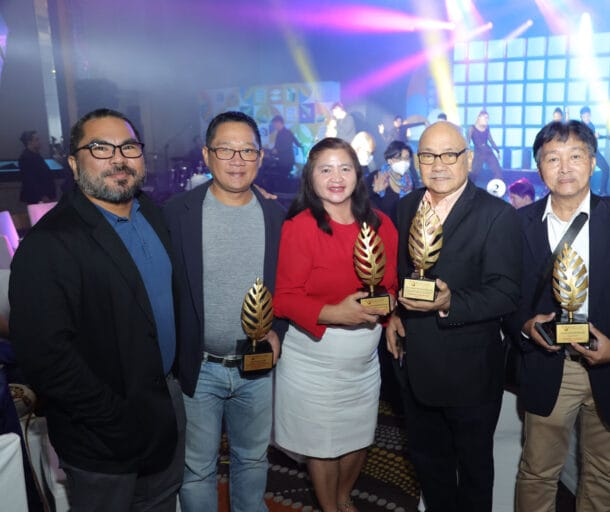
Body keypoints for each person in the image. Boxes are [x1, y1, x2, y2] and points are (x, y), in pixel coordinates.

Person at [9, 108, 184, 511]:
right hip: (102, 434)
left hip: (166, 409)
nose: (119, 159)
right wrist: (115, 419)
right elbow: (45, 358)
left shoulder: (153, 215)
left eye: (128, 147)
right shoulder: (49, 243)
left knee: (162, 502)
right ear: (74, 164)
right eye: (101, 148)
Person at [511, 120, 610, 512]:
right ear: (539, 167)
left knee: (603, 472)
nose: (565, 167)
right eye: (553, 158)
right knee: (537, 471)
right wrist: (525, 325)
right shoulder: (518, 224)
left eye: (575, 156)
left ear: (593, 162)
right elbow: (506, 297)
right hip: (550, 365)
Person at [385, 121, 522, 511]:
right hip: (416, 365)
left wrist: (449, 302)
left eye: (449, 154)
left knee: (474, 473)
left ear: (470, 158)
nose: (438, 164)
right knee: (430, 466)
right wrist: (395, 313)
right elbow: (403, 273)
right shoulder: (407, 206)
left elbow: (506, 293)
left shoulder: (497, 215)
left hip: (470, 373)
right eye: (428, 155)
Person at [163, 111, 286, 512]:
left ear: (260, 157)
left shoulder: (277, 216)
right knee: (197, 469)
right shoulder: (176, 214)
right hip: (199, 368)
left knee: (252, 459)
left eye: (247, 150)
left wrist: (279, 331)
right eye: (225, 150)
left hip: (256, 367)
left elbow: (288, 285)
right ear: (206, 155)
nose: (237, 160)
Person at [272, 137, 398, 512]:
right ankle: (330, 507)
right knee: (322, 443)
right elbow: (285, 297)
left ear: (357, 174)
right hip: (313, 358)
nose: (336, 177)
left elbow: (391, 285)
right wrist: (334, 313)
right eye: (325, 169)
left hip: (364, 359)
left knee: (359, 435)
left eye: (344, 168)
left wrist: (392, 312)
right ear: (311, 178)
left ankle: (344, 498)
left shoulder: (381, 225)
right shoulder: (300, 227)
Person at [366, 140, 414, 223]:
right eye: (398, 158)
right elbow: (361, 202)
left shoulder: (409, 182)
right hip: (381, 227)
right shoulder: (376, 177)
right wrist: (374, 193)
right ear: (389, 160)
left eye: (406, 158)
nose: (403, 162)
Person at [579, 106, 610, 195]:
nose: (587, 118)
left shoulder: (591, 125)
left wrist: (606, 137)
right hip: (586, 153)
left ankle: (603, 191)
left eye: (588, 116)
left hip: (594, 151)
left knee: (606, 168)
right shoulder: (580, 127)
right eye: (585, 116)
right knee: (587, 174)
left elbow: (595, 136)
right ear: (581, 117)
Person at [18, 130, 56, 204]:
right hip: (37, 198)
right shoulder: (25, 158)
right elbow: (29, 180)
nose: (39, 142)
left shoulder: (35, 156)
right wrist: (42, 196)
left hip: (43, 196)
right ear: (29, 142)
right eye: (37, 139)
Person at [467, 110, 503, 181]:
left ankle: (497, 186)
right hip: (478, 153)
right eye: (485, 118)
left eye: (487, 118)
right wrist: (467, 154)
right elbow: (467, 141)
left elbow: (491, 140)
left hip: (488, 152)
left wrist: (498, 151)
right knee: (474, 174)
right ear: (479, 117)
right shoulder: (472, 128)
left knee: (498, 171)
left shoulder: (487, 128)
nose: (486, 120)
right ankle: (469, 186)